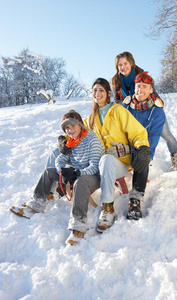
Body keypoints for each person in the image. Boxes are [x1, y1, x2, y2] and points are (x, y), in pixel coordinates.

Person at [58, 78, 150, 233]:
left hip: (119, 163)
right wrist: (63, 141)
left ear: (108, 93)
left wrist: (142, 148)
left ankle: (108, 208)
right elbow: (76, 133)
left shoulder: (118, 111)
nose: (97, 93)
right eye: (94, 90)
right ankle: (54, 185)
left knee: (106, 159)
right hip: (97, 165)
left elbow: (137, 131)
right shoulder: (90, 120)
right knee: (58, 152)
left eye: (101, 90)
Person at [10, 110, 105, 245]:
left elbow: (95, 166)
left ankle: (79, 225)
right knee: (49, 172)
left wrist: (77, 173)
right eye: (67, 128)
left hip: (93, 177)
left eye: (73, 126)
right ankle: (36, 204)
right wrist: (63, 171)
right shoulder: (71, 142)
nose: (70, 130)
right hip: (75, 174)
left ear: (80, 125)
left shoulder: (92, 140)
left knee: (80, 182)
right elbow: (60, 160)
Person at [111, 51, 177, 171]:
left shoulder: (140, 74)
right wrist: (125, 102)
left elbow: (151, 91)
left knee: (166, 134)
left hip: (149, 110)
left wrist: (158, 102)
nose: (123, 67)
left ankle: (176, 157)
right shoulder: (116, 81)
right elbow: (116, 101)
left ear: (131, 63)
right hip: (132, 111)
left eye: (125, 63)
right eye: (120, 65)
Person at [107, 71, 165, 220]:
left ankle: (135, 199)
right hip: (123, 148)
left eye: (145, 86)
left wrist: (143, 151)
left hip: (142, 148)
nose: (141, 90)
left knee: (143, 156)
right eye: (138, 86)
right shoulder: (126, 107)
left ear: (151, 90)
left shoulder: (157, 112)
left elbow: (152, 138)